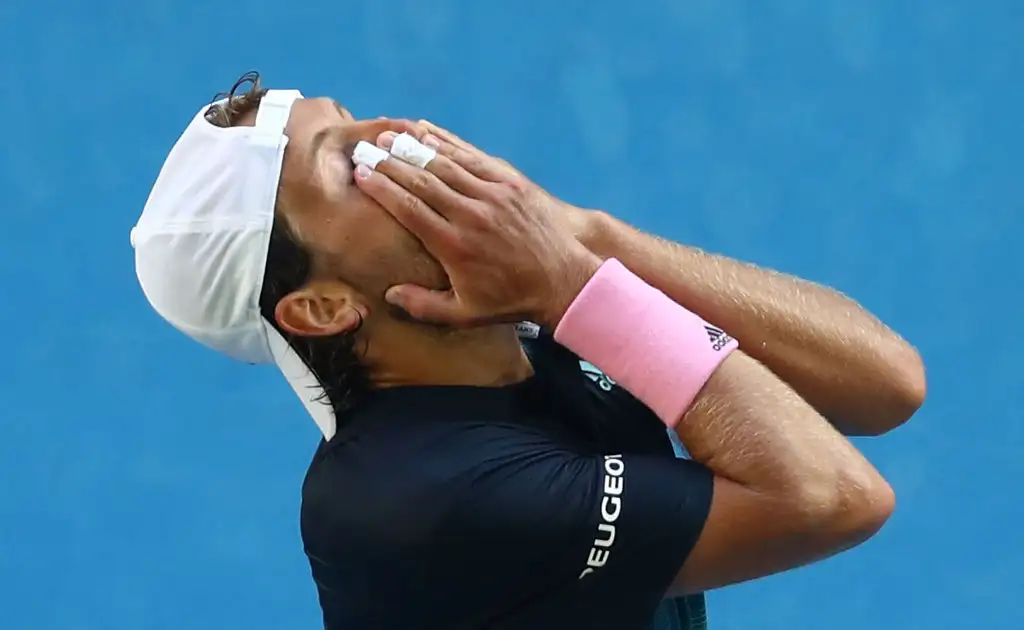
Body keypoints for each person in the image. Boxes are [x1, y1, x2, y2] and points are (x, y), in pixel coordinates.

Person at [132, 72, 926, 630]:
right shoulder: (414, 497)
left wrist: (578, 235)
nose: (395, 136)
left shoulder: (529, 328)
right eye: (345, 163)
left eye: (356, 117)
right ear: (322, 307)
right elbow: (834, 500)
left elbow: (885, 384)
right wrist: (577, 284)